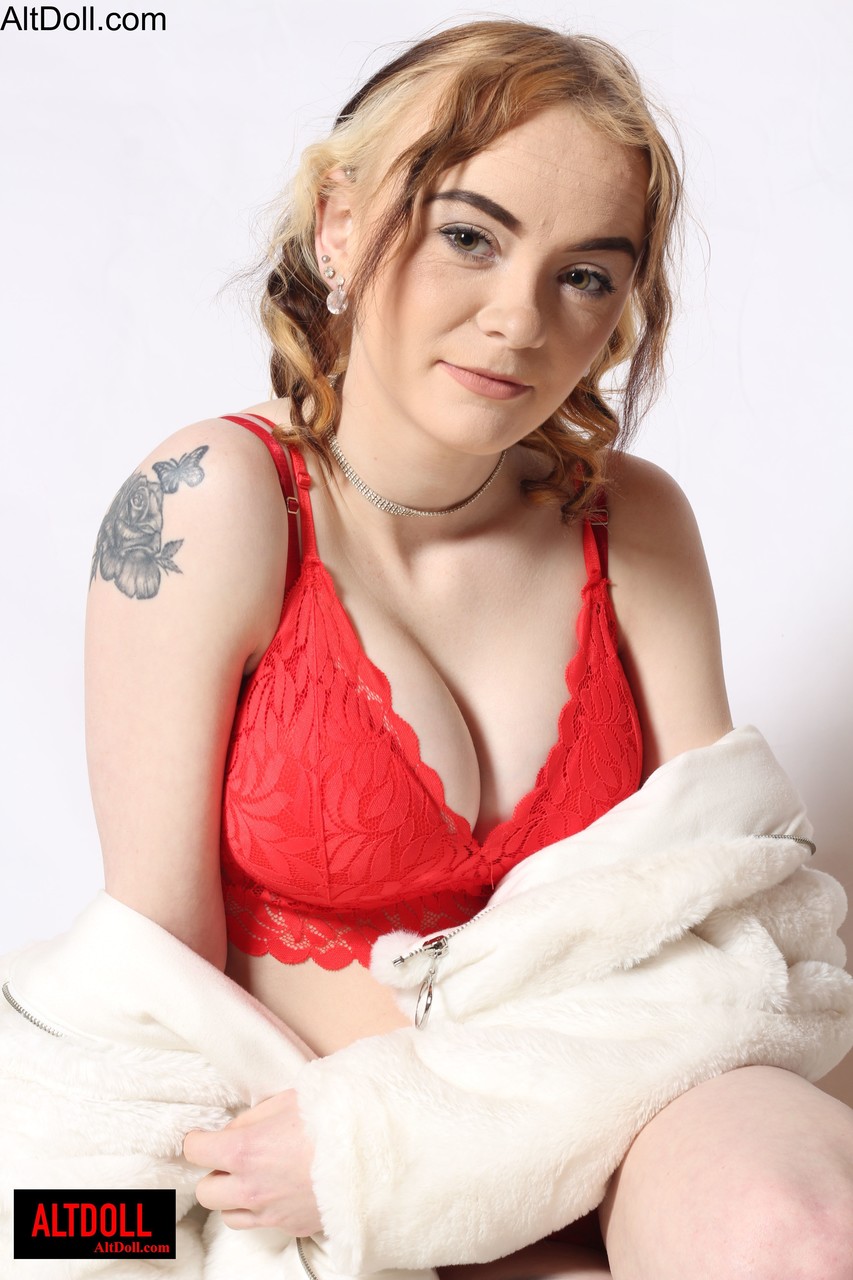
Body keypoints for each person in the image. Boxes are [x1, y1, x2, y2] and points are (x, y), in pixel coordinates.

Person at [84, 19, 853, 1280]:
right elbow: (143, 984)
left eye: (584, 275)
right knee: (46, 1233)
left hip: (619, 1129)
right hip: (306, 1181)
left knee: (808, 1229)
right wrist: (83, 1228)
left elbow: (753, 940)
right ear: (339, 224)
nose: (517, 318)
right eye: (470, 236)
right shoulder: (208, 501)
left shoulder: (632, 523)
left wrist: (413, 1138)